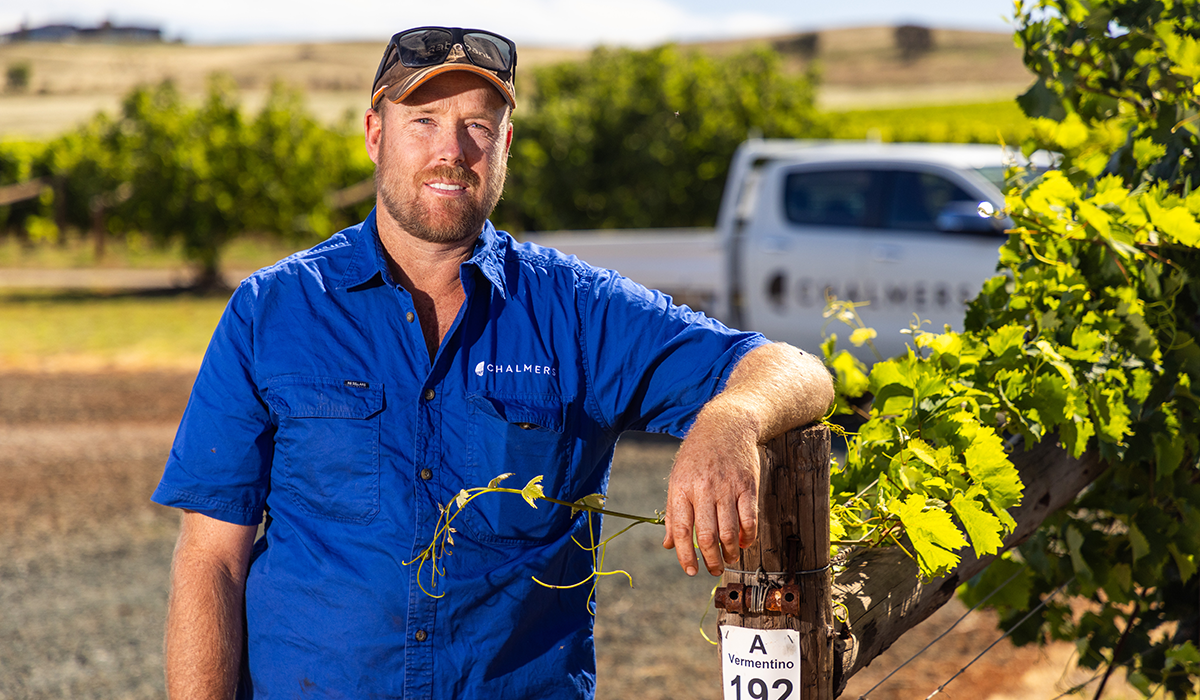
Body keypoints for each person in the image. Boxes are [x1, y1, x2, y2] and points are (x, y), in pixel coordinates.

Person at [153, 26, 833, 699]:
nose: (451, 150)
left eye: (477, 125)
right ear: (374, 134)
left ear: (504, 145)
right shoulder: (273, 310)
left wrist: (732, 417)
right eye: (423, 120)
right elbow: (212, 560)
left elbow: (797, 368)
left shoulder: (578, 312)